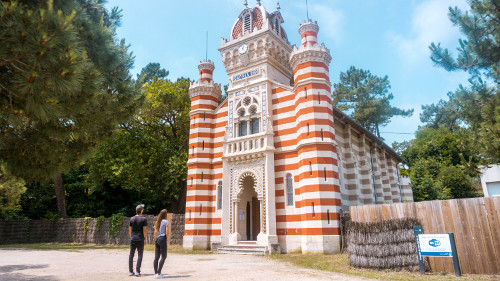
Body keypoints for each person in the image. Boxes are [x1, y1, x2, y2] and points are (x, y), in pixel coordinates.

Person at [129, 204, 147, 277]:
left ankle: (130, 271)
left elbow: (129, 230)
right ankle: (137, 271)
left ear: (136, 211)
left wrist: (131, 237)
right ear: (141, 210)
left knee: (131, 254)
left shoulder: (132, 219)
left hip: (133, 238)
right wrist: (144, 238)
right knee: (140, 254)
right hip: (140, 238)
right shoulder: (144, 219)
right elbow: (144, 231)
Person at [153, 209, 170, 279]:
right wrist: (167, 239)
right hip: (162, 239)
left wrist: (155, 240)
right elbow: (167, 232)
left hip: (157, 239)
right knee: (164, 256)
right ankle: (159, 273)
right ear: (165, 214)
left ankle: (156, 273)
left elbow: (155, 232)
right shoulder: (166, 222)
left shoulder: (157, 222)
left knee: (156, 257)